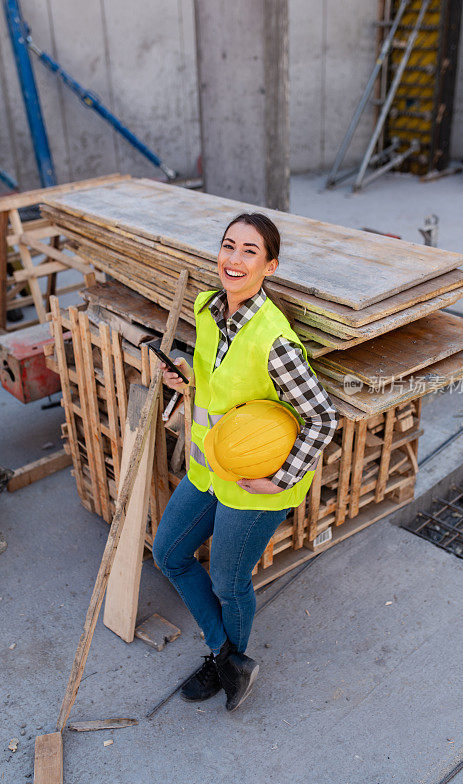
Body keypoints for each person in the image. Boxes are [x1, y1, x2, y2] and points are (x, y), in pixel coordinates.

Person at [152, 212, 337, 711]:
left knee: (228, 583)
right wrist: (187, 377)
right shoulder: (209, 309)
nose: (234, 259)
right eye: (228, 246)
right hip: (209, 469)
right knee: (168, 553)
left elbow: (322, 417)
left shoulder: (273, 339)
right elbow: (225, 388)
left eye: (250, 251)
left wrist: (280, 478)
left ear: (269, 266)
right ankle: (227, 656)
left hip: (256, 485)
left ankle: (227, 660)